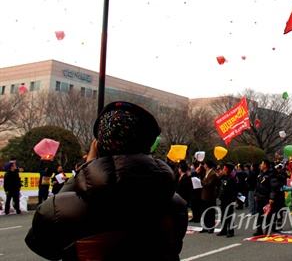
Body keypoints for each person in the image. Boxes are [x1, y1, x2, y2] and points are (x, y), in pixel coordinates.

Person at [25, 101, 187, 260]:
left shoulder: (60, 207)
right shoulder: (175, 205)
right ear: (147, 146)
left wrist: (85, 170)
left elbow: (43, 247)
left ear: (97, 147)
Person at [253, 159, 284, 236]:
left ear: (265, 165)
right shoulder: (260, 174)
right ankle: (259, 229)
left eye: (262, 163)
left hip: (266, 197)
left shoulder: (271, 175)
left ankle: (268, 229)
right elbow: (257, 186)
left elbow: (273, 188)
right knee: (259, 214)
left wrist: (271, 198)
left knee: (268, 215)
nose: (261, 165)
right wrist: (255, 194)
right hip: (259, 197)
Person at [199, 159, 220, 233]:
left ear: (207, 165)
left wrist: (202, 181)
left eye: (205, 164)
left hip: (210, 195)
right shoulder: (206, 173)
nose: (204, 166)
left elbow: (209, 184)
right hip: (204, 195)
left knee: (210, 212)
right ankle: (205, 226)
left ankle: (211, 227)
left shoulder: (213, 174)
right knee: (204, 211)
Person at [218, 163, 237, 237]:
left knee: (229, 215)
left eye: (224, 169)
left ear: (227, 170)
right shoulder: (224, 178)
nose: (222, 170)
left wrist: (233, 200)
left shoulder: (231, 179)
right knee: (223, 215)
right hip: (223, 199)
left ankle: (230, 230)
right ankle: (224, 229)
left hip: (229, 200)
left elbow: (234, 190)